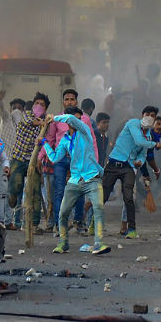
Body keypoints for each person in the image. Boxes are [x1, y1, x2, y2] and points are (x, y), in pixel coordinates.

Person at [42, 108, 111, 256]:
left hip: (92, 177)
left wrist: (53, 117)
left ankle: (99, 244)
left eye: (79, 118)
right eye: (75, 118)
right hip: (75, 180)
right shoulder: (65, 140)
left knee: (98, 207)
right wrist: (44, 143)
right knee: (63, 212)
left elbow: (71, 120)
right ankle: (63, 243)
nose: (77, 121)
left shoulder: (84, 131)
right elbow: (54, 158)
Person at [38, 89, 98, 234]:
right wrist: (40, 157)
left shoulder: (84, 119)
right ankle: (60, 224)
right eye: (67, 99)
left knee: (79, 191)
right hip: (60, 160)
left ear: (76, 101)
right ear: (63, 102)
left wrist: (94, 161)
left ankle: (78, 222)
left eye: (72, 99)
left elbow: (92, 141)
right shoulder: (57, 120)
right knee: (58, 192)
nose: (69, 101)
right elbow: (51, 139)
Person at [102, 106, 161, 239]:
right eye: (147, 114)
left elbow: (142, 153)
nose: (149, 117)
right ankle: (94, 223)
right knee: (103, 196)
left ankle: (132, 229)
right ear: (142, 114)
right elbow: (139, 141)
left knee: (129, 197)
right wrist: (154, 144)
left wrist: (139, 161)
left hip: (128, 167)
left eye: (152, 115)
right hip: (114, 163)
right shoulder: (133, 123)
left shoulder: (149, 135)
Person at [8, 92, 49, 234]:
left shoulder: (46, 125)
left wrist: (40, 159)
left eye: (42, 105)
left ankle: (34, 224)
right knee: (16, 185)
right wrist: (42, 123)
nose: (39, 106)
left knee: (35, 193)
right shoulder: (26, 115)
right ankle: (12, 196)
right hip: (18, 158)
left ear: (45, 109)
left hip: (33, 161)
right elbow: (28, 122)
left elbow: (45, 143)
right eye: (37, 103)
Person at [120, 115, 161, 234]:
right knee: (129, 196)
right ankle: (125, 227)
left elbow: (144, 157)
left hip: (133, 165)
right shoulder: (148, 136)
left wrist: (146, 174)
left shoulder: (154, 137)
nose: (160, 127)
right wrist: (154, 170)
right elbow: (148, 157)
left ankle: (125, 226)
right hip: (127, 164)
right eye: (158, 124)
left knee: (130, 196)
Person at [0, 91, 25, 230]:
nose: (17, 110)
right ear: (10, 109)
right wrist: (0, 100)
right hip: (3, 160)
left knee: (12, 192)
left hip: (16, 162)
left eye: (20, 108)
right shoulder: (6, 119)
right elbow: (1, 109)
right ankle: (1, 221)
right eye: (15, 107)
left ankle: (9, 221)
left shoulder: (22, 127)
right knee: (2, 191)